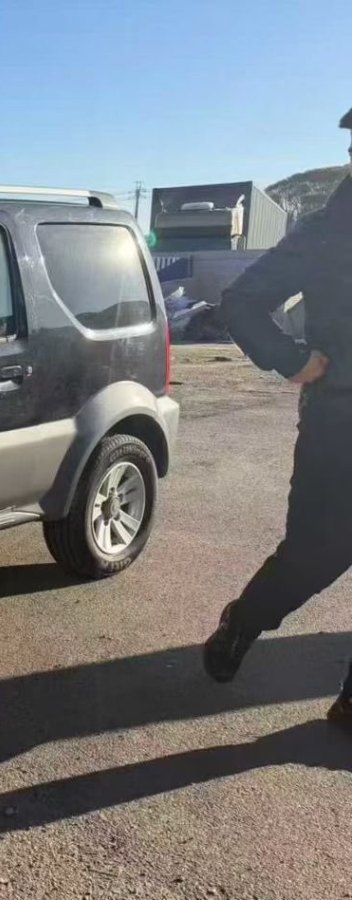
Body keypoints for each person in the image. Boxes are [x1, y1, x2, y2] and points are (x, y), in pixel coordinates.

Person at [204, 106, 352, 728]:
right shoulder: (325, 233)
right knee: (315, 554)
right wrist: (292, 359)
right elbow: (242, 301)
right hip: (339, 423)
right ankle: (245, 619)